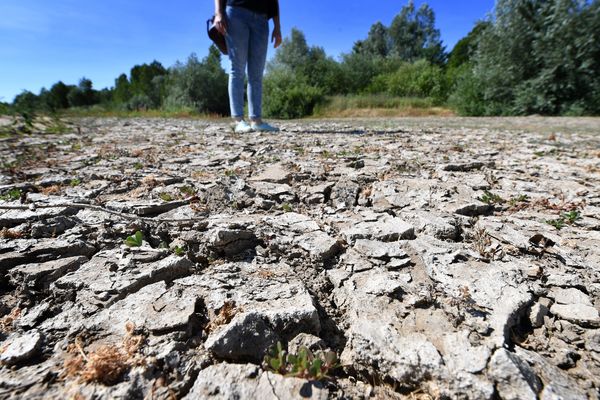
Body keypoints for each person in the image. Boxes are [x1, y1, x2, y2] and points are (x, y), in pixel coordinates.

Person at [214, 0, 282, 133]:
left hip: (262, 19)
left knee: (256, 73)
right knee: (237, 68)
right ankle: (238, 121)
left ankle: (256, 121)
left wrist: (277, 26)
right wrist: (218, 13)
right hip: (236, 12)